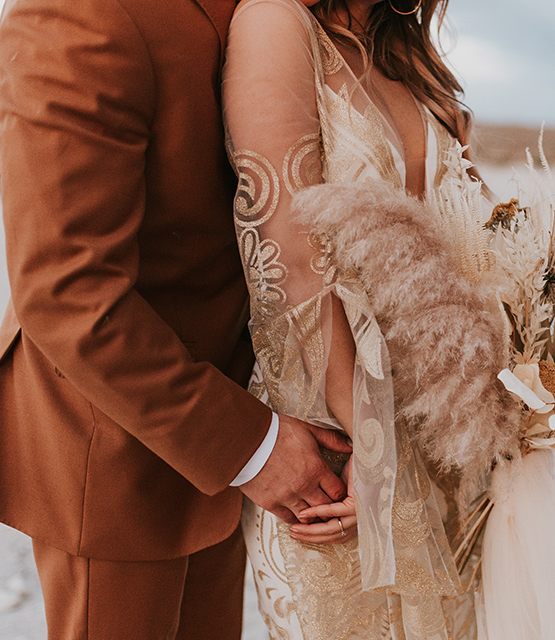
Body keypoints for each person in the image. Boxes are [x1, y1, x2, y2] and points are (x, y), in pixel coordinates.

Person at [0, 0, 353, 638]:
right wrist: (254, 447)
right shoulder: (76, 11)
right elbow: (66, 288)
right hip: (115, 446)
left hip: (235, 427)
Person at [224, 0, 489, 637]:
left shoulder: (406, 54)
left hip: (444, 426)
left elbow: (475, 241)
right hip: (338, 436)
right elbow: (286, 257)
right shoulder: (276, 22)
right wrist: (374, 453)